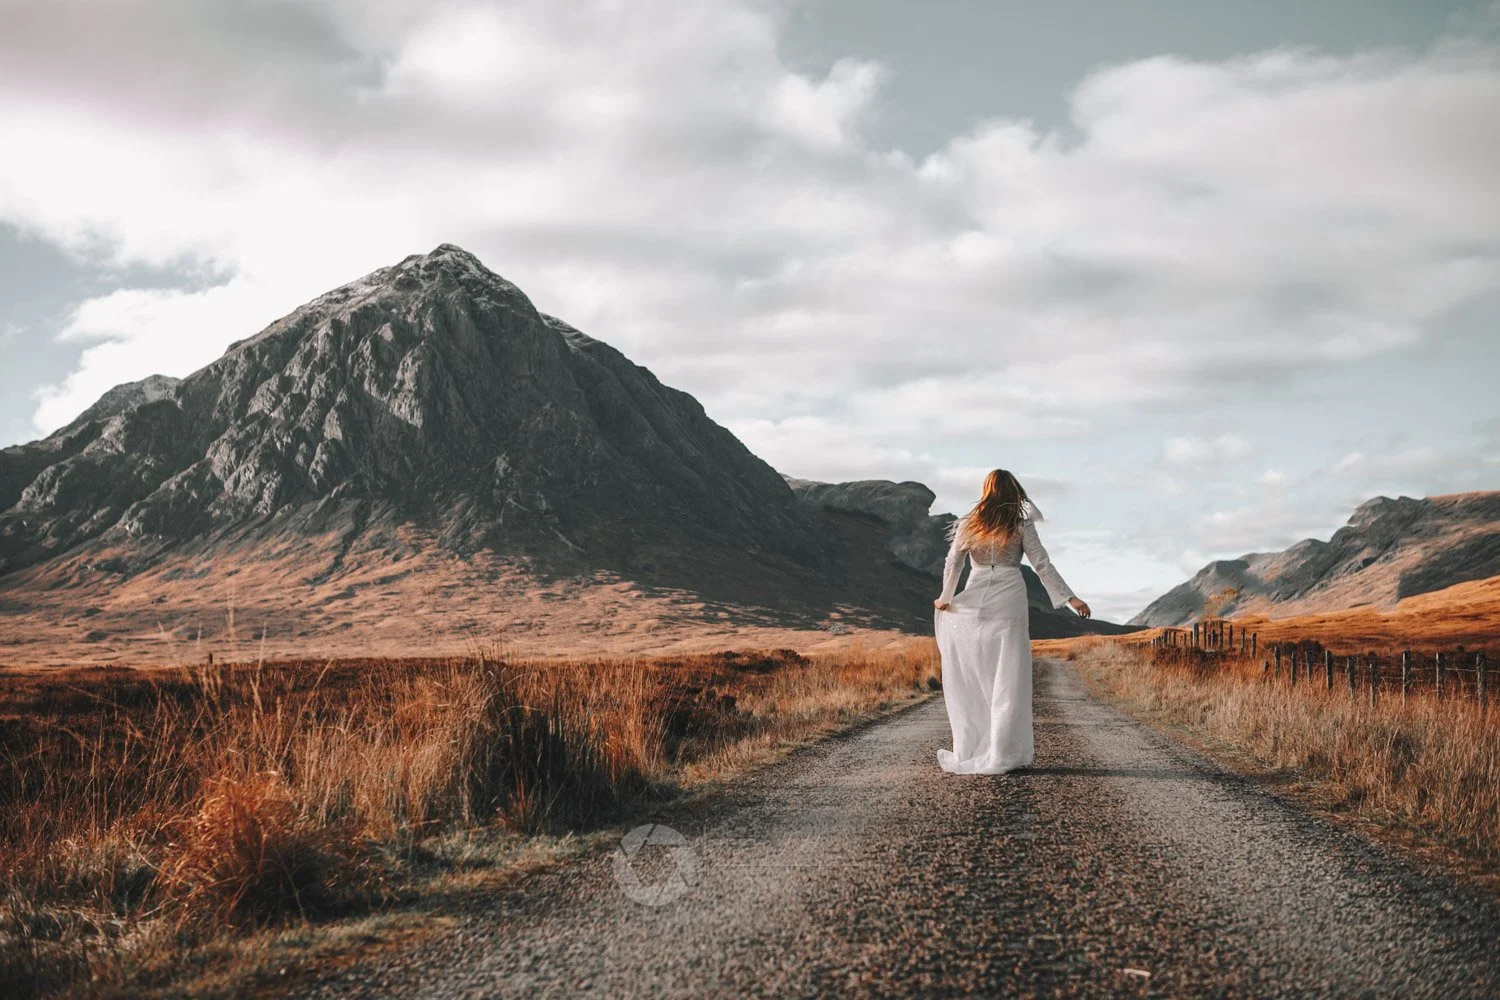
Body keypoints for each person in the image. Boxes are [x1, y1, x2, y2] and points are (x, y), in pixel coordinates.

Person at [932, 469, 1090, 774]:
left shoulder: (970, 523)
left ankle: (970, 747)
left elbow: (954, 562)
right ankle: (1004, 751)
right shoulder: (1020, 524)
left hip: (975, 598)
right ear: (1013, 490)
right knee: (1009, 676)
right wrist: (1071, 599)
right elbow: (1042, 563)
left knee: (976, 673)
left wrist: (946, 598)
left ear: (986, 490)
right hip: (1008, 599)